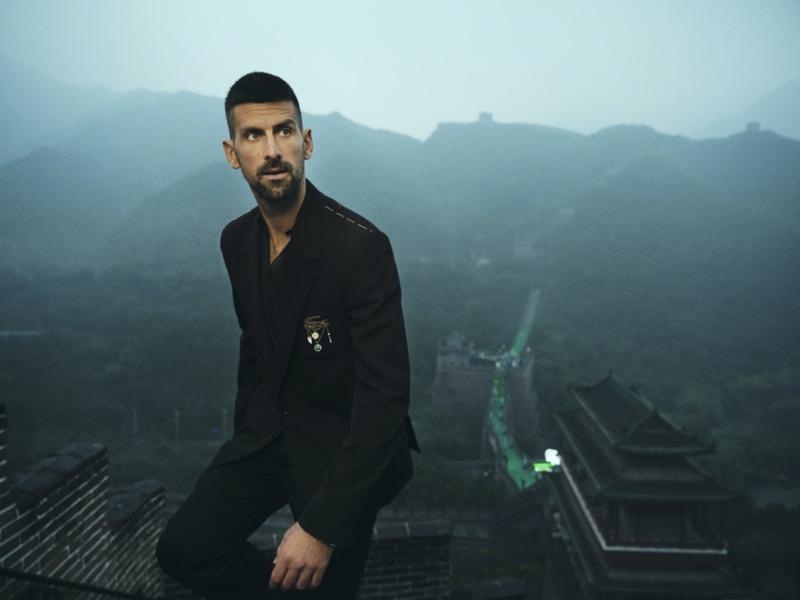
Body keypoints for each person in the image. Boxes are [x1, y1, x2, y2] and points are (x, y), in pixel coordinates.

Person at [156, 72, 418, 598]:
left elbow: (385, 397)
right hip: (268, 434)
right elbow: (253, 351)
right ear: (233, 154)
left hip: (343, 448)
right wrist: (243, 437)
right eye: (254, 136)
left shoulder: (359, 247)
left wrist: (322, 525)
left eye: (284, 131)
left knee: (325, 584)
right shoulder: (236, 240)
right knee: (185, 550)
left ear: (308, 142)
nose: (272, 150)